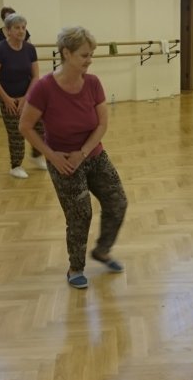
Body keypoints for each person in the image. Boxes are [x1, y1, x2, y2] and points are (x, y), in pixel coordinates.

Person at [19, 26, 127, 289]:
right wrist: (53, 157)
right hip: (63, 161)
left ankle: (102, 251)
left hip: (93, 154)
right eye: (84, 55)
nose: (90, 60)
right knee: (80, 214)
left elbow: (102, 124)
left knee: (117, 202)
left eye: (91, 55)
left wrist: (84, 152)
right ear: (66, 53)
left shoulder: (93, 83)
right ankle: (75, 268)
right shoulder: (44, 87)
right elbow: (25, 126)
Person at [0, 13, 46, 178]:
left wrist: (26, 98)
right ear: (8, 31)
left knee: (40, 127)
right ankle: (16, 166)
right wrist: (6, 99)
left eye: (23, 27)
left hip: (29, 97)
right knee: (16, 133)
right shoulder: (0, 49)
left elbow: (35, 76)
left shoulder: (30, 49)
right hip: (9, 97)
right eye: (17, 28)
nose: (21, 31)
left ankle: (37, 156)